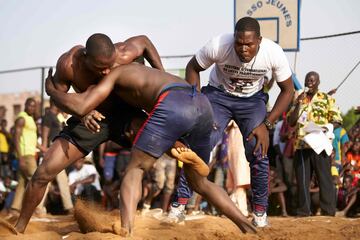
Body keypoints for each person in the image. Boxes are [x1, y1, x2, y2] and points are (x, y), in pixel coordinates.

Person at [45, 62, 256, 235]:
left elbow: (81, 106)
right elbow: (145, 41)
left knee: (134, 170)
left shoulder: (114, 74)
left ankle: (126, 231)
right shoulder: (136, 55)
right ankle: (246, 226)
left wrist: (52, 91)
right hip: (201, 104)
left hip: (172, 104)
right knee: (200, 182)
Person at [12, 33, 165, 234]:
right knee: (43, 172)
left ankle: (175, 208)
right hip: (90, 118)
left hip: (126, 114)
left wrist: (161, 75)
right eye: (101, 68)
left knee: (175, 145)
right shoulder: (68, 64)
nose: (108, 72)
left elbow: (144, 41)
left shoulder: (123, 53)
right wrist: (82, 112)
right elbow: (60, 98)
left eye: (111, 66)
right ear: (85, 57)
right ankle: (19, 229)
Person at [182, 16, 294, 227]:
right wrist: (195, 102)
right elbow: (192, 67)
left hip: (251, 102)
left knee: (258, 151)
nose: (243, 49)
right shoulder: (218, 45)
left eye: (249, 44)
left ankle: (260, 214)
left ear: (259, 41)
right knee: (199, 146)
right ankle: (179, 206)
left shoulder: (273, 52)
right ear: (233, 39)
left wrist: (267, 124)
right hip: (218, 95)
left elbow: (288, 91)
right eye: (239, 43)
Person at [288, 71, 343, 217]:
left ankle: (328, 211)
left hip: (320, 145)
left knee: (324, 179)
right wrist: (298, 103)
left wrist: (326, 128)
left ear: (318, 82)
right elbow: (291, 121)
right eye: (307, 81)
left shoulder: (326, 99)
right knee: (303, 181)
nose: (309, 83)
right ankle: (304, 211)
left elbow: (337, 119)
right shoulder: (300, 99)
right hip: (302, 145)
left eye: (312, 81)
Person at [10, 98, 47, 217]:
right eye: (30, 106)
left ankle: (14, 209)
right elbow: (15, 138)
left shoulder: (30, 119)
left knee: (22, 183)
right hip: (25, 156)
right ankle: (38, 209)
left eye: (34, 106)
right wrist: (20, 157)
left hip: (30, 154)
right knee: (38, 181)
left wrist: (44, 149)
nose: (32, 108)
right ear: (25, 105)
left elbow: (33, 140)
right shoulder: (21, 119)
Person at [41, 100, 74, 214]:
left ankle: (38, 207)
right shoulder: (48, 116)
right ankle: (69, 207)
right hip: (52, 149)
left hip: (57, 149)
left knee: (47, 179)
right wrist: (45, 150)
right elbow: (44, 134)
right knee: (60, 178)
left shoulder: (56, 116)